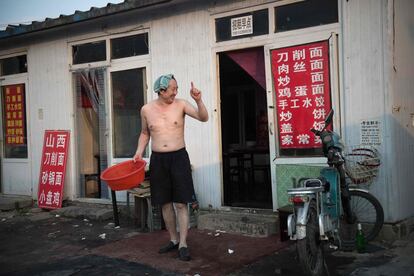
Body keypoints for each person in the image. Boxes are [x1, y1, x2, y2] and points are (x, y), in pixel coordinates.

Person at [133, 74, 208, 261]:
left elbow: (203, 117)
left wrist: (198, 101)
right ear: (161, 90)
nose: (176, 92)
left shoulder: (181, 104)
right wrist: (138, 152)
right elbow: (144, 133)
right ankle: (173, 239)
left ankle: (183, 243)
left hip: (179, 157)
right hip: (158, 159)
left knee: (181, 203)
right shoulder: (146, 109)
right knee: (164, 202)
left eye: (177, 88)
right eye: (173, 89)